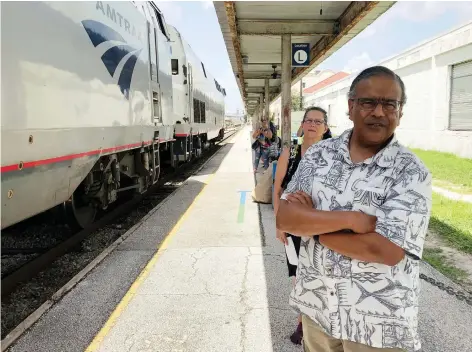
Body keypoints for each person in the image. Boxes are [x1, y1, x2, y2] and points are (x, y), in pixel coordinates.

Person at [276, 66, 432, 352]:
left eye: (390, 104)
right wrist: (352, 220)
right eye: (369, 102)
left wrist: (315, 231)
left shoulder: (411, 172)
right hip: (317, 309)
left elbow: (385, 250)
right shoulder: (319, 154)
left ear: (400, 111)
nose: (379, 112)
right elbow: (286, 217)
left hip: (377, 325)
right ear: (351, 106)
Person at [273, 106, 332, 345]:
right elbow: (277, 188)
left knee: (323, 273)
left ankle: (324, 322)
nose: (313, 125)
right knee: (299, 274)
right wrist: (280, 223)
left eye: (318, 121)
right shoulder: (291, 152)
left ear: (326, 127)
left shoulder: (333, 154)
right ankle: (302, 323)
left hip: (323, 224)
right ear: (302, 125)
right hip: (294, 225)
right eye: (309, 120)